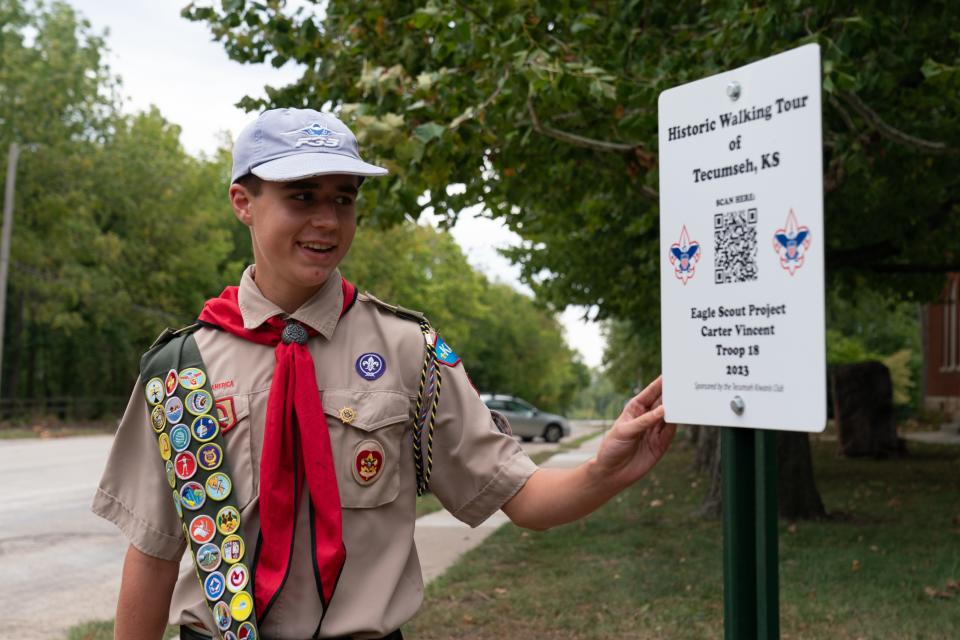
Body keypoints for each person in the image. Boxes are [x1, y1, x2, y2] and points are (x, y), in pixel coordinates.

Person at [92, 107, 674, 640]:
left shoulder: (407, 351)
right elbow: (153, 552)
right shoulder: (182, 368)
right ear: (243, 201)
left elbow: (520, 498)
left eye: (343, 199)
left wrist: (607, 468)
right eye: (301, 196)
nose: (327, 220)